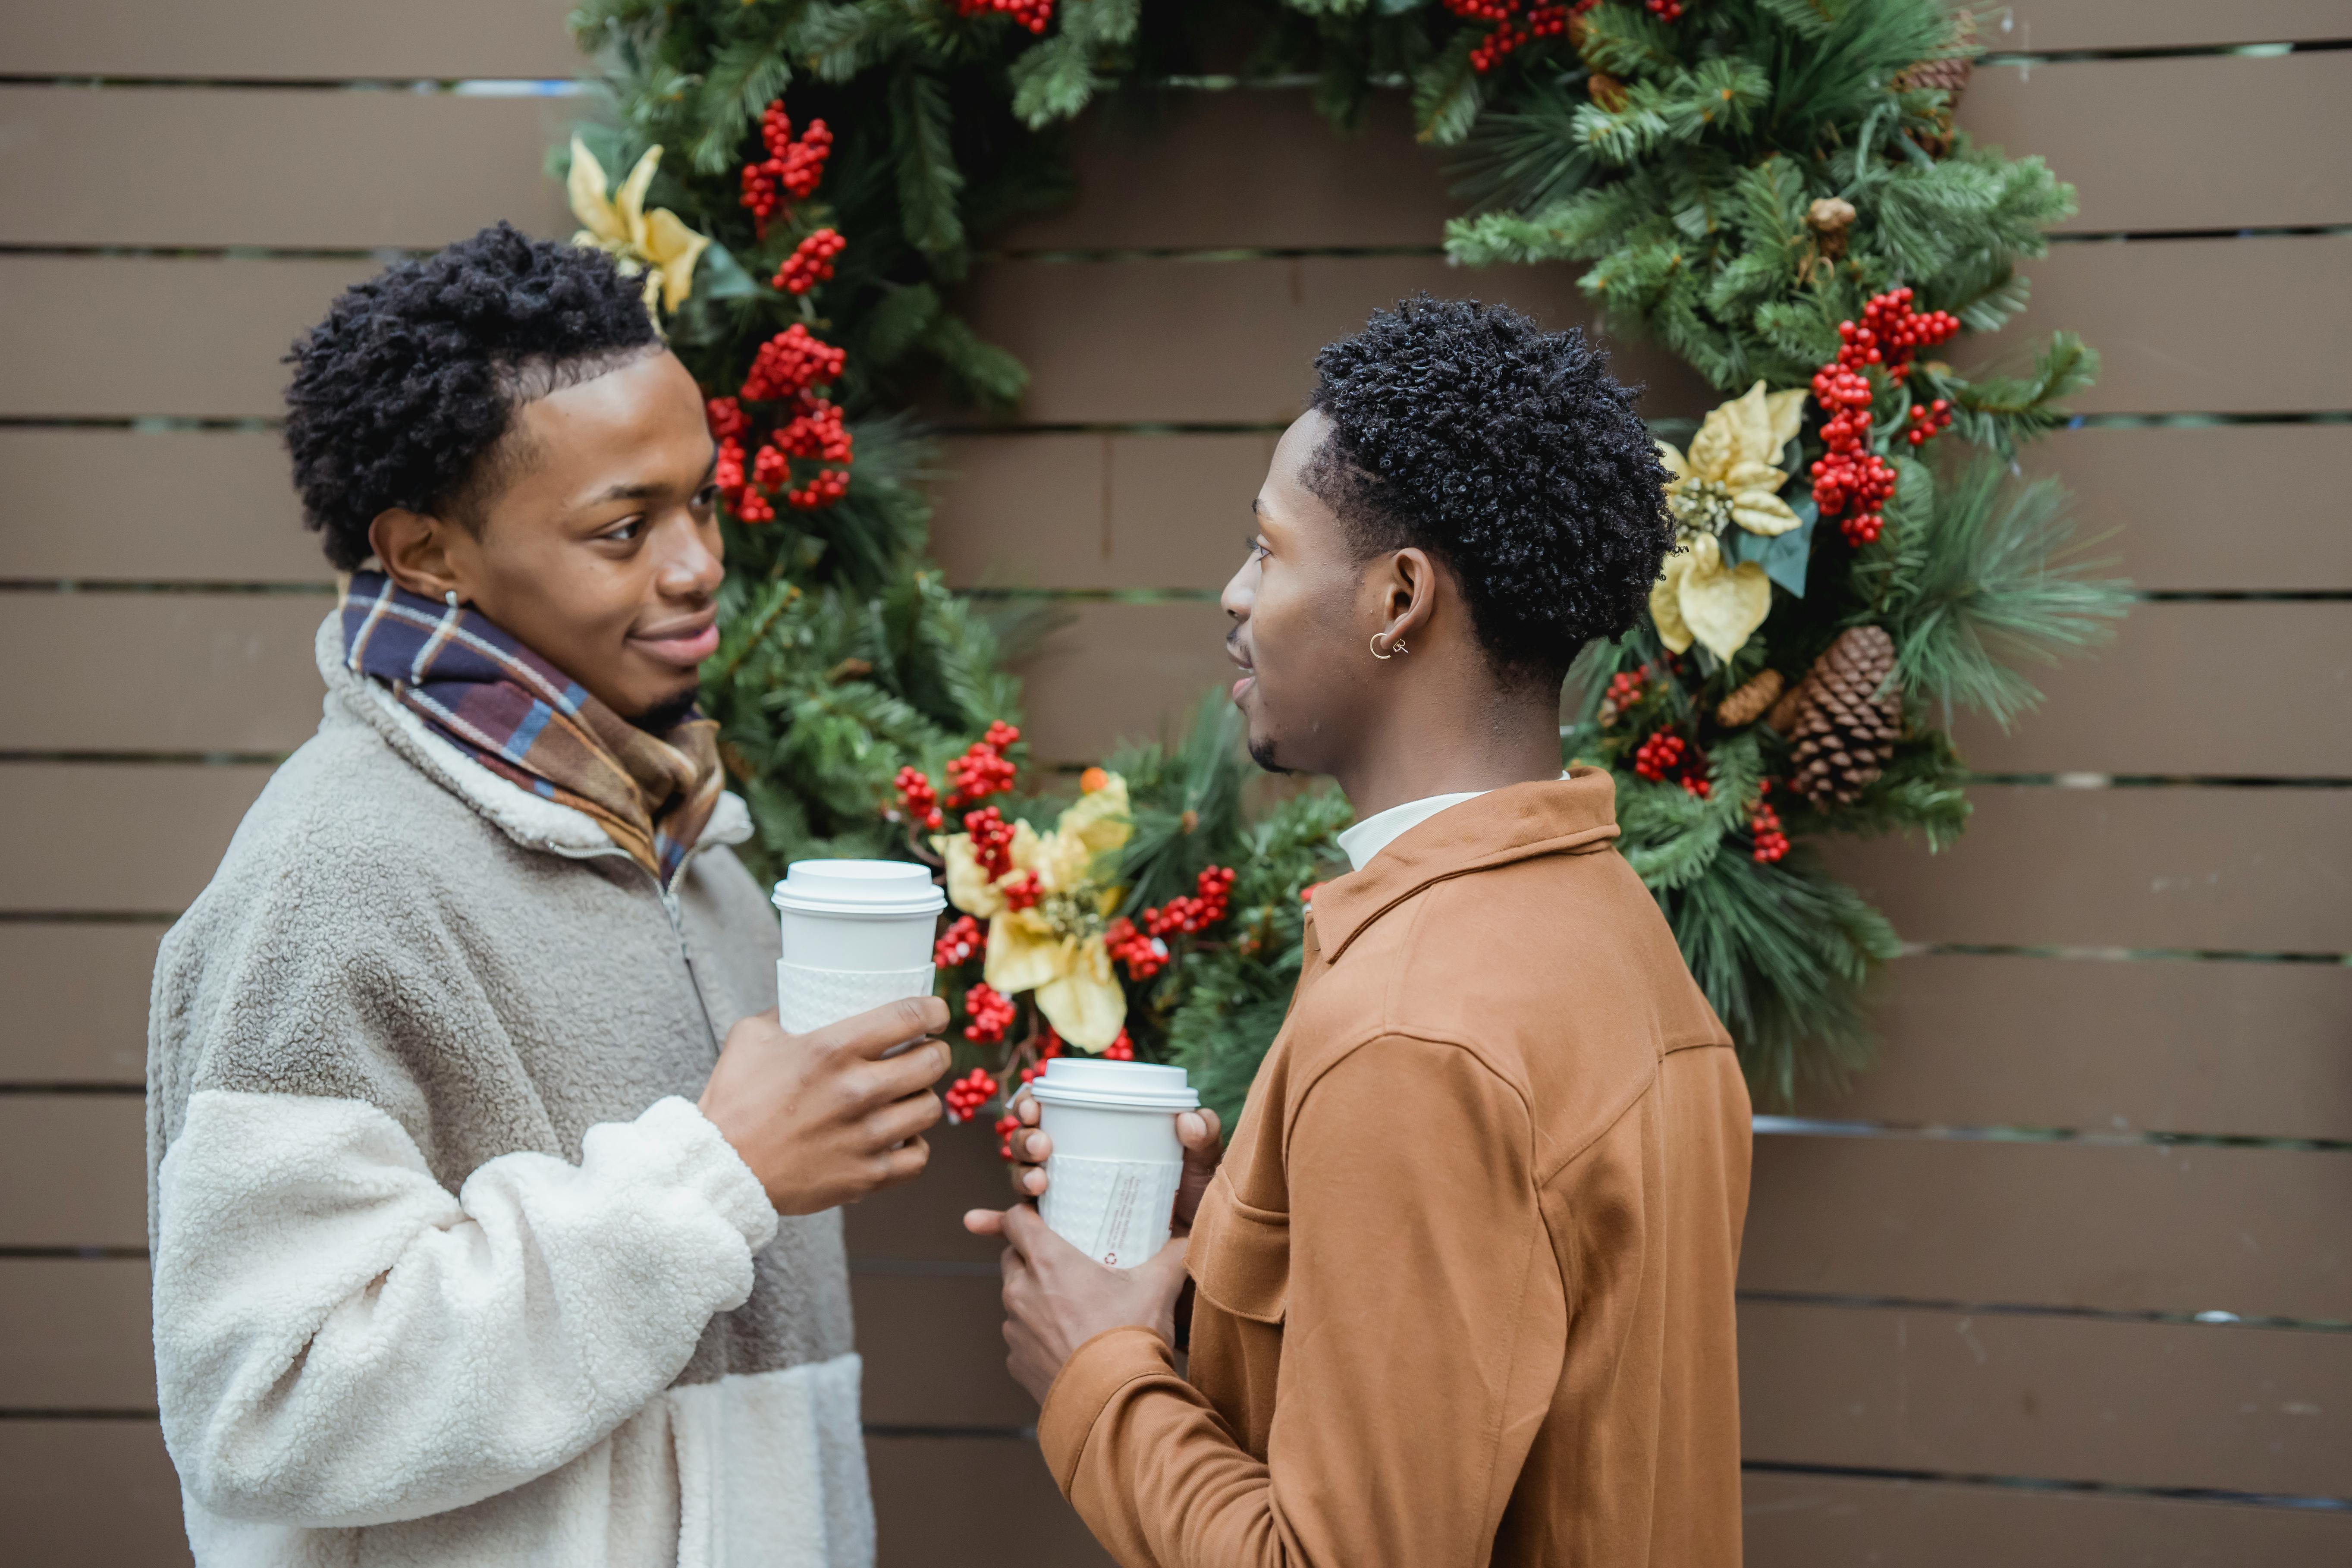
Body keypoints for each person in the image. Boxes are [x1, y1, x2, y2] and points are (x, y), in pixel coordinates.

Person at [146, 223, 951, 1567]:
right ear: (425, 554)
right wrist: (717, 1175)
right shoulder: (333, 876)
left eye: (701, 500)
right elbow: (265, 1402)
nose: (696, 565)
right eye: (624, 528)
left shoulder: (702, 862)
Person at [967, 296, 1752, 1566]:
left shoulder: (1415, 1031)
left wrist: (1096, 1369)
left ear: (1398, 599)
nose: (1233, 596)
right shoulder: (1609, 931)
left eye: (1267, 550)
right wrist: (1239, 1241)